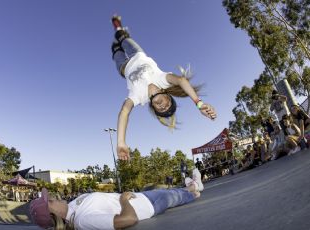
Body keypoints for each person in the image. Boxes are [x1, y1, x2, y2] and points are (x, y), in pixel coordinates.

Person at [110, 15, 217, 161]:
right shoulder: (163, 80)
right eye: (167, 104)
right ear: (166, 94)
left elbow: (124, 112)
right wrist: (199, 103)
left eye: (161, 109)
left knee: (115, 50)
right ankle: (120, 29)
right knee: (122, 37)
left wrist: (121, 142)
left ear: (153, 107)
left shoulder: (139, 97)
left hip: (123, 66)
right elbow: (181, 80)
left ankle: (116, 46)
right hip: (138, 53)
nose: (162, 105)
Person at [29, 169, 203, 230]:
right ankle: (194, 188)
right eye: (50, 201)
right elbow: (129, 219)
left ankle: (191, 188)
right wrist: (124, 200)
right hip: (147, 206)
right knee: (174, 196)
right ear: (54, 215)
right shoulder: (83, 220)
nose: (54, 197)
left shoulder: (73, 206)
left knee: (171, 192)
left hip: (142, 197)